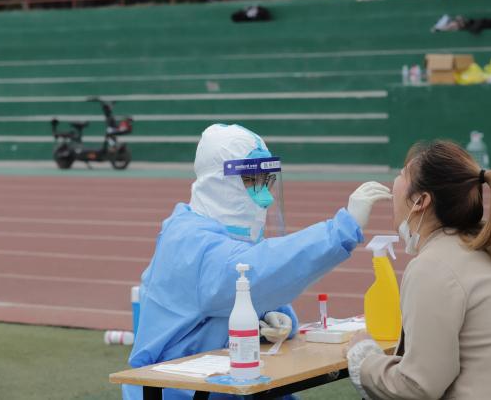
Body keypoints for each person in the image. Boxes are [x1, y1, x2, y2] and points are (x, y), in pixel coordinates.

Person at [123, 124, 392, 400]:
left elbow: (253, 294)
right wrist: (341, 230)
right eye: (252, 180)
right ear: (220, 182)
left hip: (222, 382)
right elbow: (254, 273)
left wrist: (274, 320)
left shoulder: (221, 234)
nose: (265, 195)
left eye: (267, 180)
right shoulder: (189, 241)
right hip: (177, 390)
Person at [346, 140, 491, 399]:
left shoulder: (433, 267)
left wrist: (364, 359)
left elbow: (417, 386)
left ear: (420, 200)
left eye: (401, 174)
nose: (394, 182)